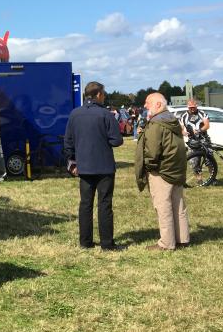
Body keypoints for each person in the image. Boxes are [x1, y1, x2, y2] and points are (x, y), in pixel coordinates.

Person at [63, 81, 124, 251]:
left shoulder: (75, 114)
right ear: (98, 95)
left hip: (84, 166)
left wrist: (72, 163)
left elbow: (68, 142)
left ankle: (85, 241)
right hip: (104, 166)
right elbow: (117, 140)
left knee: (85, 204)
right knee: (104, 204)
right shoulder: (105, 114)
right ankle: (107, 243)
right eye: (103, 94)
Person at [135, 92, 189, 251]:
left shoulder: (156, 124)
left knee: (163, 207)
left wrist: (149, 167)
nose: (145, 106)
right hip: (176, 169)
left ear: (158, 104)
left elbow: (152, 151)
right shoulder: (171, 119)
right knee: (178, 205)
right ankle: (182, 239)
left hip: (161, 171)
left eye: (147, 102)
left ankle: (166, 243)